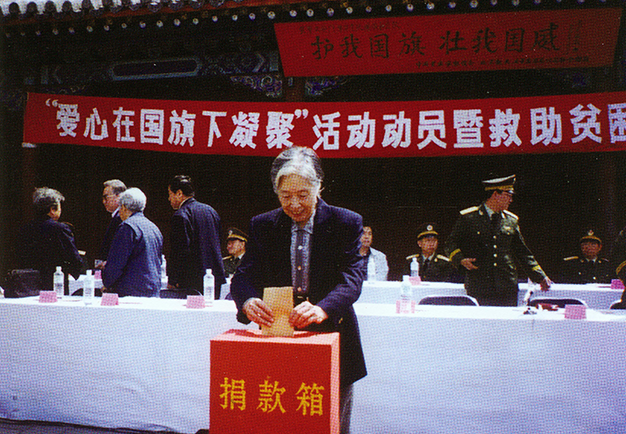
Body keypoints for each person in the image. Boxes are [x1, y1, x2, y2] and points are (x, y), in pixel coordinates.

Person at [230, 146, 366, 434]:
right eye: (285, 196)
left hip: (332, 332)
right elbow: (243, 276)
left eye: (303, 195)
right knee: (281, 416)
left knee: (331, 421)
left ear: (319, 187)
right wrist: (248, 300)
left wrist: (323, 307)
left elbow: (352, 277)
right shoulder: (263, 225)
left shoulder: (346, 222)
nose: (294, 204)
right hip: (280, 334)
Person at [445, 174, 552, 306]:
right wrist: (460, 259)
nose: (511, 200)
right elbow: (450, 243)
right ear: (495, 194)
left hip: (506, 285)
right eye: (508, 195)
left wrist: (540, 276)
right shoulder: (469, 218)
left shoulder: (511, 220)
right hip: (480, 285)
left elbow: (523, 253)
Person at [167, 175, 226, 298]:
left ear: (179, 193)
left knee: (191, 311)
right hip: (213, 278)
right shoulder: (211, 211)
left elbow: (179, 251)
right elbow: (219, 241)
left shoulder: (180, 215)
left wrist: (173, 279)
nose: (169, 199)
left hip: (191, 281)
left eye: (170, 194)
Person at [17, 187, 83, 290]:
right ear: (52, 209)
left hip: (28, 285)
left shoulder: (24, 229)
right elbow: (74, 259)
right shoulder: (60, 229)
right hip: (55, 285)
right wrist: (75, 270)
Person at [102, 188, 163, 297]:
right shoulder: (153, 227)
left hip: (130, 292)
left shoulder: (127, 227)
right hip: (152, 289)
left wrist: (107, 282)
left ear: (124, 207)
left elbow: (116, 263)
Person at [96, 179, 127, 269]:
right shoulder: (116, 217)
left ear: (119, 196)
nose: (103, 201)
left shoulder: (121, 218)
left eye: (106, 197)